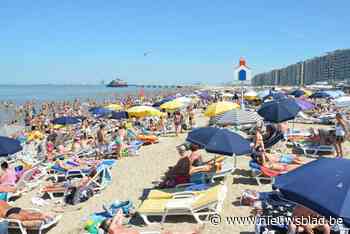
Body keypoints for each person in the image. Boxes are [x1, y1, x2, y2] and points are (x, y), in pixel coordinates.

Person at [100, 209, 202, 234]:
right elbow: (118, 214)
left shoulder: (117, 227)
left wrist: (119, 214)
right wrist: (115, 216)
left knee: (166, 232)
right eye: (110, 220)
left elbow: (120, 213)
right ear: (108, 225)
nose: (112, 220)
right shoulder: (112, 229)